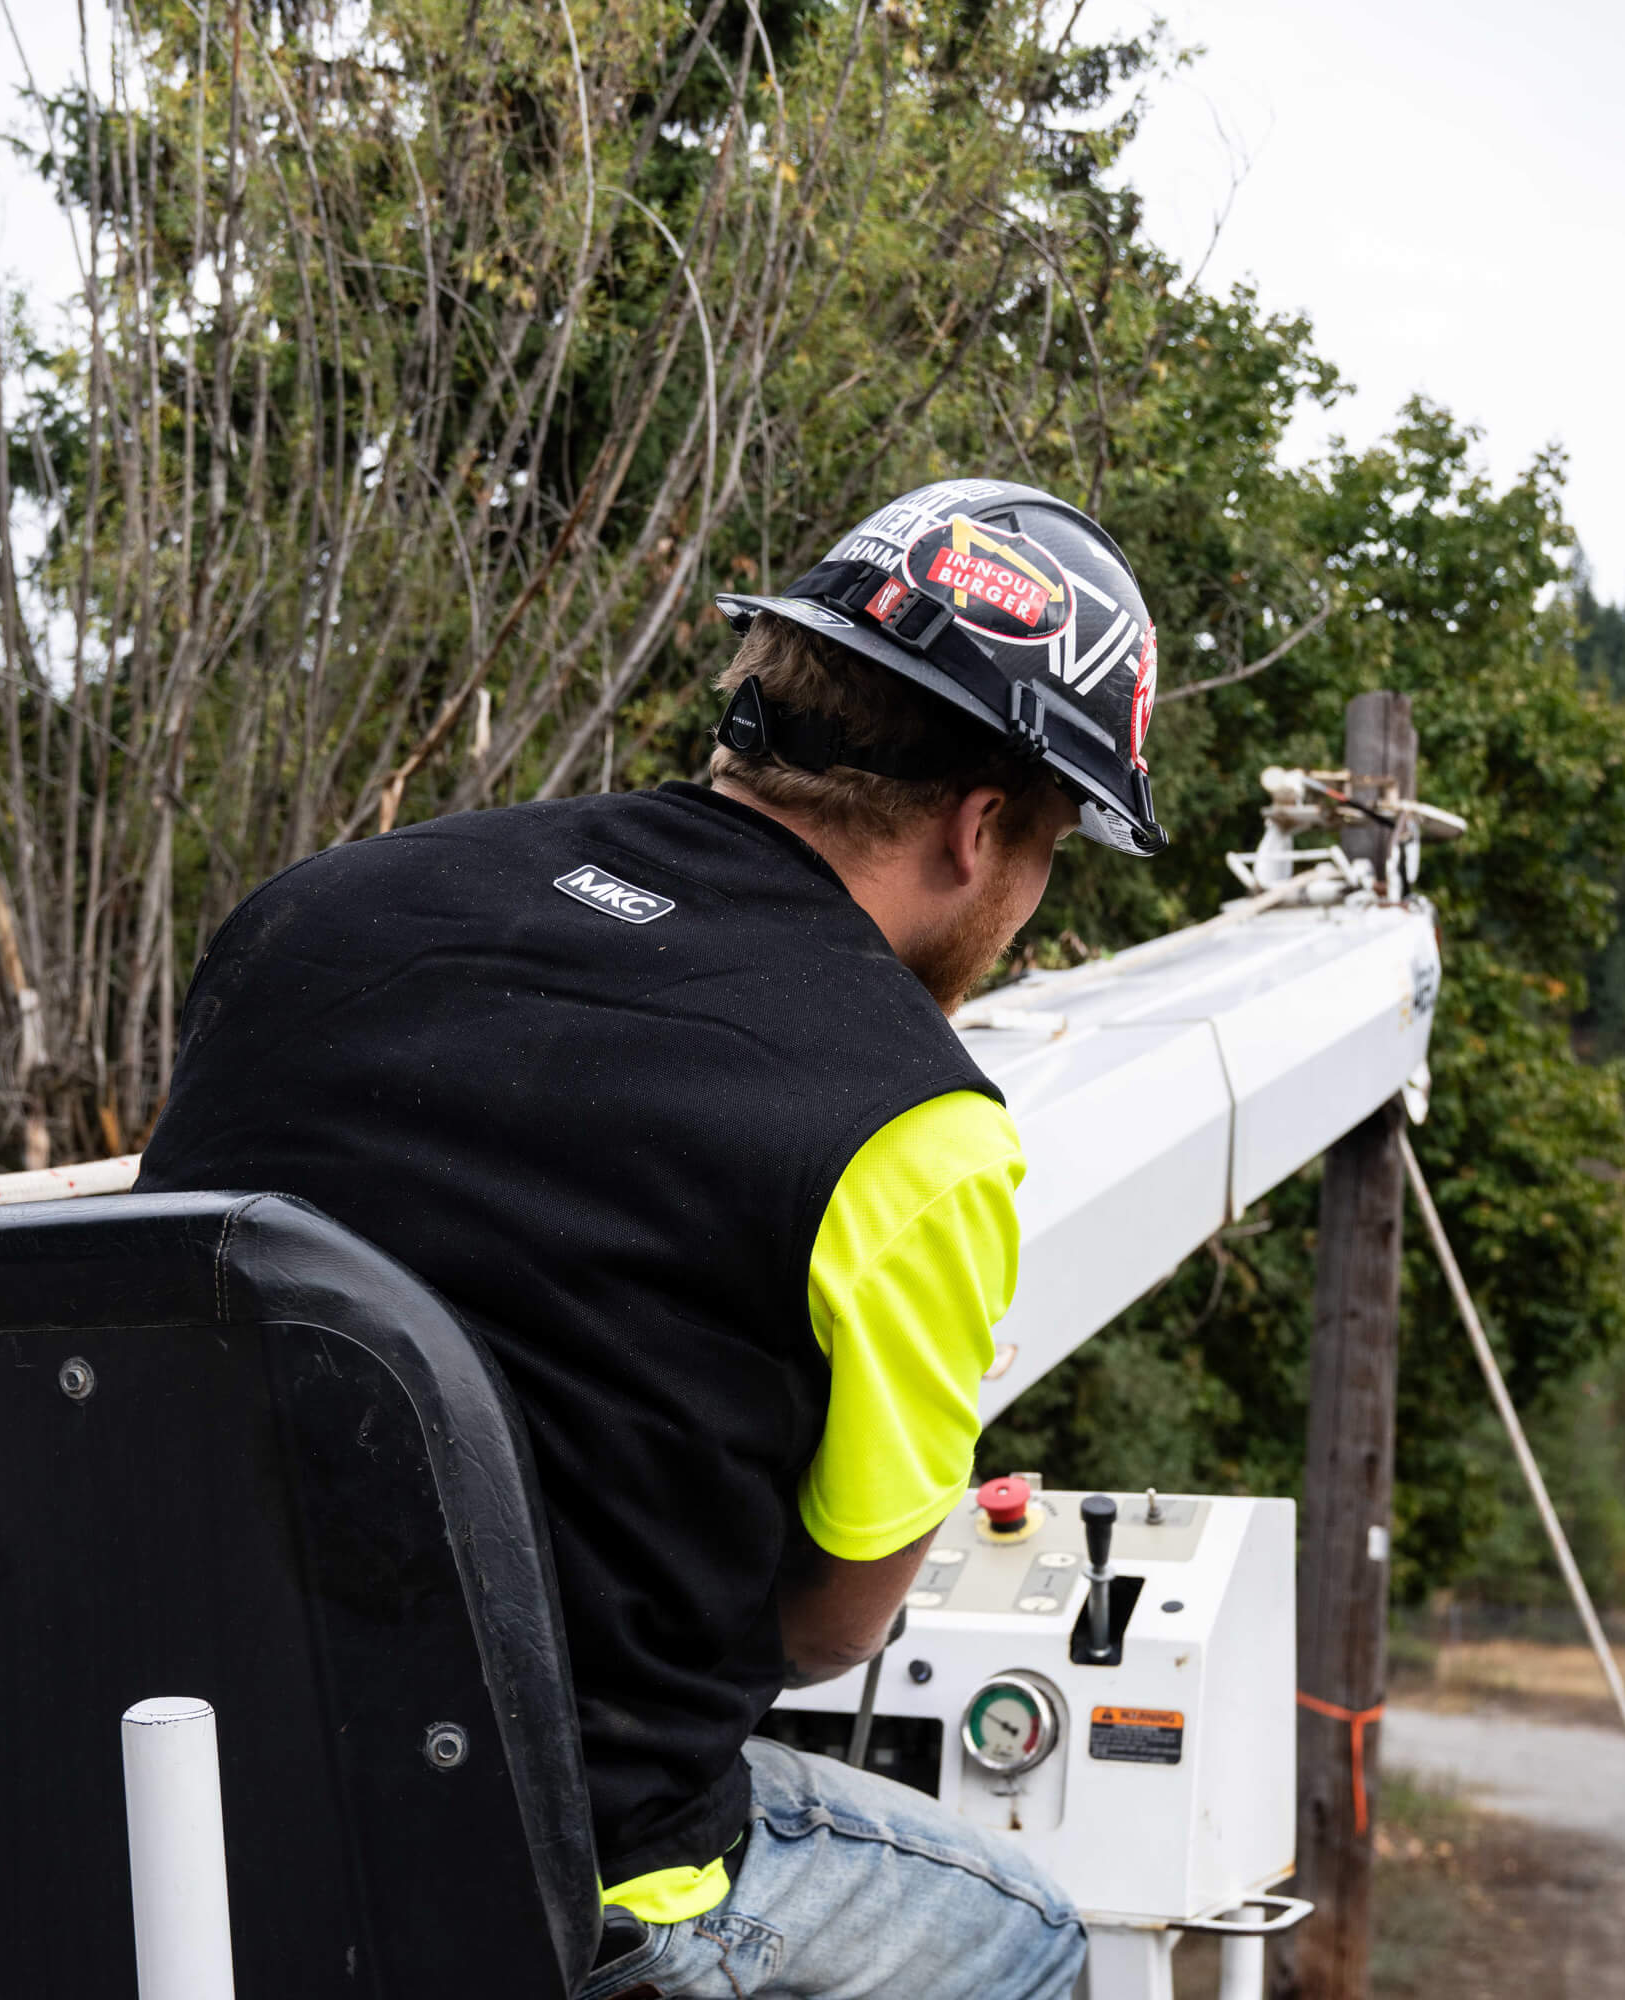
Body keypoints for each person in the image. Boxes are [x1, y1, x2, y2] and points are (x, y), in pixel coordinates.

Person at [135, 478, 1167, 2000]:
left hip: (162, 1787)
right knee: (1026, 1934)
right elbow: (826, 1632)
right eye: (1053, 851)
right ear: (984, 825)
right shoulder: (915, 1129)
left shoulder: (307, 913)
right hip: (560, 1885)